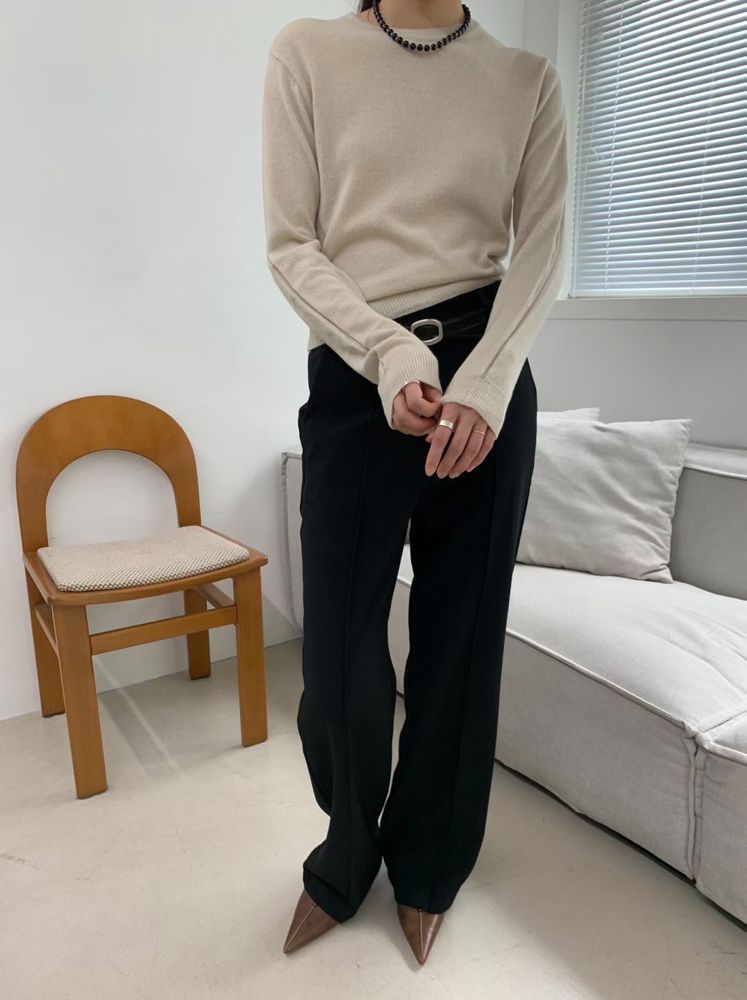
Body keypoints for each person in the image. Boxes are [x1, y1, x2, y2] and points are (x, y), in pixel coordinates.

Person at [261, 0, 568, 965]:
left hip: (489, 382)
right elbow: (291, 243)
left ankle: (430, 866)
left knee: (461, 644)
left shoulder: (527, 81)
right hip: (358, 376)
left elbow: (543, 248)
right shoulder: (308, 51)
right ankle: (347, 851)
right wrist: (391, 354)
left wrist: (487, 381)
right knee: (338, 654)